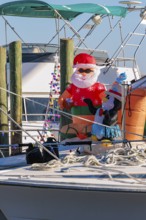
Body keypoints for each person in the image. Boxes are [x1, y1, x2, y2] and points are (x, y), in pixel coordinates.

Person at [58, 53, 106, 138]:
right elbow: (63, 97)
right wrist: (62, 103)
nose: (84, 73)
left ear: (94, 71)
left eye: (87, 71)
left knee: (91, 130)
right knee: (65, 130)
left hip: (93, 121)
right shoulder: (72, 86)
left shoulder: (98, 86)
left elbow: (105, 98)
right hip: (76, 122)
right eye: (80, 70)